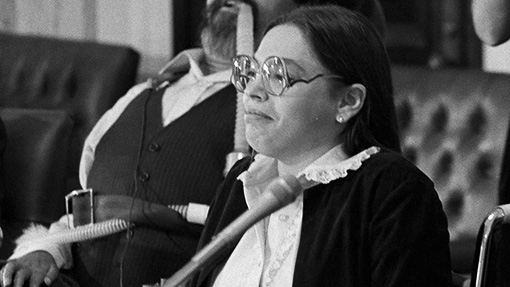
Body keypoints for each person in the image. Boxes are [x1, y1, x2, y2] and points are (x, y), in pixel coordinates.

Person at [0, 1, 387, 287]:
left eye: (276, 73)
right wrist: (41, 250)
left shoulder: (281, 122)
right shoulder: (139, 95)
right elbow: (80, 210)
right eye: (250, 73)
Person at [191, 5, 452, 287]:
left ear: (348, 101)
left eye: (278, 76)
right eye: (252, 71)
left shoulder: (392, 191)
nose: (253, 90)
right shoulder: (243, 179)